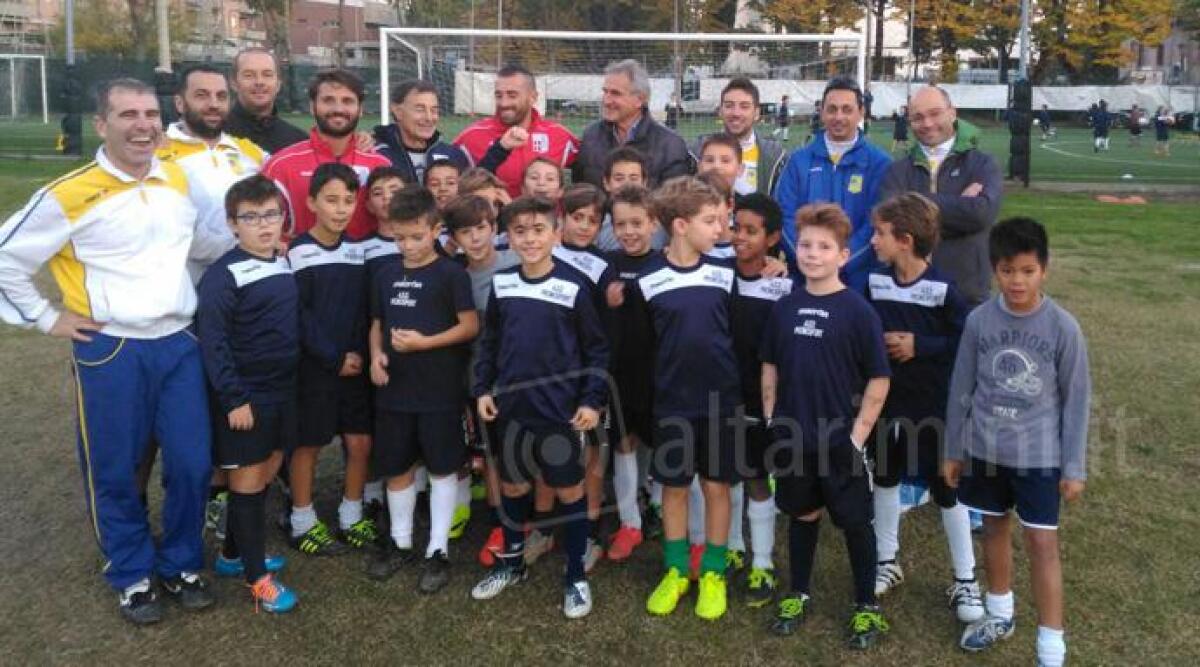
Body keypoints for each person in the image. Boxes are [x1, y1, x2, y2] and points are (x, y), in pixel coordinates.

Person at [0, 78, 214, 624]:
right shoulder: (69, 193)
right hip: (111, 348)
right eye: (127, 114)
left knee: (192, 463)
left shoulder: (177, 179)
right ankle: (132, 572)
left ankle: (182, 562)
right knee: (114, 468)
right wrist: (48, 318)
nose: (142, 124)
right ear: (102, 124)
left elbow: (199, 243)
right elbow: (6, 260)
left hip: (179, 342)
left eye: (149, 114)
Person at [945, 217, 1091, 667]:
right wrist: (953, 449)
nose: (1017, 281)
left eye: (1027, 271)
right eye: (1008, 271)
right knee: (992, 526)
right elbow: (961, 387)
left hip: (1038, 457)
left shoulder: (1063, 328)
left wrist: (1073, 467)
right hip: (985, 451)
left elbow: (1076, 399)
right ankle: (999, 612)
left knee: (1041, 543)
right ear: (994, 269)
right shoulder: (979, 321)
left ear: (1044, 269)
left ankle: (1051, 645)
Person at [469, 196, 609, 620]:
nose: (529, 239)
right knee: (513, 488)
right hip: (512, 409)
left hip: (559, 413)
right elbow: (490, 343)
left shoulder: (575, 285)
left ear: (556, 232)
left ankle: (574, 576)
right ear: (508, 237)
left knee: (569, 490)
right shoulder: (503, 283)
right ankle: (512, 564)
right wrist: (482, 389)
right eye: (520, 231)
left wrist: (590, 401)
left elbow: (597, 350)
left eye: (538, 230)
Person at [760, 203, 891, 649]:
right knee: (802, 513)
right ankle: (798, 591)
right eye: (807, 246)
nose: (813, 254)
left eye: (824, 247)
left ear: (843, 254)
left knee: (855, 523)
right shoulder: (785, 306)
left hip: (840, 441)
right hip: (794, 437)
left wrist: (858, 436)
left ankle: (866, 605)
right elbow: (770, 365)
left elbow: (878, 376)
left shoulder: (857, 311)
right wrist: (772, 417)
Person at [863, 193, 983, 624]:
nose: (873, 240)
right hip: (888, 407)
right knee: (886, 478)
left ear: (906, 240)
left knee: (947, 489)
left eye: (879, 233)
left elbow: (966, 343)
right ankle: (886, 560)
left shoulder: (944, 291)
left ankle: (966, 579)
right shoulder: (874, 281)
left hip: (934, 408)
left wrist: (921, 345)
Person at [365, 185, 479, 593]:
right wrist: (377, 355)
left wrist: (424, 344)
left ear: (435, 230)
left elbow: (469, 326)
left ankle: (437, 549)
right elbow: (376, 324)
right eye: (400, 238)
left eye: (416, 237)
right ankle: (400, 542)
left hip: (439, 390)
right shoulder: (384, 273)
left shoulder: (450, 273)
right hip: (394, 391)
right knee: (396, 467)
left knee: (442, 466)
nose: (408, 245)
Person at [636, 177, 739, 621]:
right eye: (710, 220)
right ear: (680, 225)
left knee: (717, 487)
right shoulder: (648, 279)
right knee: (674, 489)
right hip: (672, 404)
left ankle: (713, 571)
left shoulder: (725, 272)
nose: (720, 228)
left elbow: (736, 333)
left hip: (720, 403)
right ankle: (677, 570)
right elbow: (643, 347)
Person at [195, 174, 299, 613]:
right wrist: (234, 398)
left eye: (271, 215)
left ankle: (233, 556)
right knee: (248, 479)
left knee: (272, 463)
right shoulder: (223, 275)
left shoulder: (282, 259)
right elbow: (213, 342)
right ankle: (258, 578)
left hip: (283, 390)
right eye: (251, 217)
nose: (263, 225)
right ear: (233, 223)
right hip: (247, 397)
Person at [285, 163, 377, 556]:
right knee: (308, 444)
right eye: (331, 200)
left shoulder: (358, 252)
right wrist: (331, 357)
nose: (341, 209)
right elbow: (299, 316)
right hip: (316, 368)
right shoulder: (298, 252)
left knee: (360, 443)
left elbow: (362, 310)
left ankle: (351, 515)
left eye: (348, 201)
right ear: (312, 202)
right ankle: (302, 520)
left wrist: (356, 354)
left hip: (354, 367)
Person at [442, 194, 521, 568]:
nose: (474, 238)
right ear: (454, 238)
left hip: (523, 376)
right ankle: (499, 524)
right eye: (465, 232)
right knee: (491, 454)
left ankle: (532, 520)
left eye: (481, 228)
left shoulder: (517, 262)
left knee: (525, 452)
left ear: (494, 228)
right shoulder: (454, 276)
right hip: (480, 379)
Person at [880, 85, 1002, 308]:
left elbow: (979, 215)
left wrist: (915, 203)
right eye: (918, 117)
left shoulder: (982, 164)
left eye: (935, 113)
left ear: (952, 113)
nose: (927, 124)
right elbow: (893, 225)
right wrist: (958, 206)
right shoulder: (897, 170)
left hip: (967, 293)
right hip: (910, 294)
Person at [729, 192, 792, 608]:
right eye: (736, 228)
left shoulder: (782, 286)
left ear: (772, 239)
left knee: (755, 477)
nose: (740, 237)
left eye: (751, 232)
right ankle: (731, 545)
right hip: (721, 394)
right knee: (723, 474)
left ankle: (763, 561)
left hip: (762, 399)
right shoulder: (717, 274)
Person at [775, 77, 892, 292]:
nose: (839, 117)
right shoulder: (799, 161)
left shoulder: (880, 164)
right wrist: (811, 258)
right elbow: (784, 216)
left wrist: (839, 261)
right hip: (805, 280)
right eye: (832, 109)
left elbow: (877, 223)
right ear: (822, 112)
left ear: (861, 112)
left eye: (847, 109)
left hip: (858, 283)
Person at [158, 64, 267, 283]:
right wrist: (249, 247)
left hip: (251, 282)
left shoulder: (249, 151)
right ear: (180, 103)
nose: (213, 104)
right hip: (189, 291)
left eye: (221, 96)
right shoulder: (157, 154)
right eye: (202, 96)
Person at [263, 69, 392, 241]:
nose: (338, 109)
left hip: (369, 266)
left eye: (347, 101)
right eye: (328, 100)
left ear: (360, 109)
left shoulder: (380, 165)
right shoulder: (280, 166)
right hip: (303, 266)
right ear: (312, 106)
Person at [602, 183, 660, 561]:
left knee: (658, 443)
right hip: (620, 374)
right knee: (624, 443)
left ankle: (656, 505)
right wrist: (608, 304)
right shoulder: (607, 266)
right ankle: (629, 522)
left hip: (659, 373)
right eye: (621, 224)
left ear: (654, 223)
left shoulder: (666, 262)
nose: (629, 231)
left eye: (637, 223)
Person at [453, 64, 580, 198]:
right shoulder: (471, 137)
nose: (503, 103)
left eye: (512, 95)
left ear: (533, 97)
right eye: (499, 95)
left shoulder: (559, 136)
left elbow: (589, 166)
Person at [572, 59, 692, 190]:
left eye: (615, 93)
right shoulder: (591, 136)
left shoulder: (670, 145)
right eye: (605, 92)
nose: (606, 100)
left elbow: (674, 200)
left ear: (639, 99)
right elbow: (581, 190)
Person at [693, 78, 787, 196]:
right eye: (729, 106)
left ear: (757, 113)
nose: (736, 113)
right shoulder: (696, 151)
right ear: (720, 111)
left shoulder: (775, 156)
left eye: (744, 106)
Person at [372, 79, 470, 184]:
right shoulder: (376, 154)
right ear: (398, 112)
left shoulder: (454, 156)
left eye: (434, 110)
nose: (429, 118)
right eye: (420, 109)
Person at [224, 47, 307, 153]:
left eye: (267, 75)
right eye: (249, 75)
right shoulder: (215, 134)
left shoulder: (298, 141)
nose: (259, 82)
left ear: (278, 84)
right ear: (233, 83)